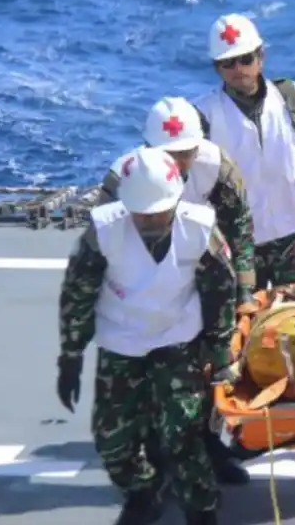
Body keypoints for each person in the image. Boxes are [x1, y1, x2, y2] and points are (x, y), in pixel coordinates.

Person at [56, 147, 238, 525]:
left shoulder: (200, 228)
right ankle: (143, 491)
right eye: (142, 213)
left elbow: (220, 290)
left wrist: (219, 349)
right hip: (121, 340)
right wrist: (71, 355)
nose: (151, 219)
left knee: (184, 434)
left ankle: (201, 510)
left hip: (178, 338)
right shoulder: (103, 231)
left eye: (158, 212)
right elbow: (79, 292)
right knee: (111, 439)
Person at [96, 96, 252, 484]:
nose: (179, 163)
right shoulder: (123, 178)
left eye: (186, 153)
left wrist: (244, 294)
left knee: (207, 369)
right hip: (143, 283)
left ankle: (208, 445)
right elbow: (104, 243)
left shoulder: (218, 169)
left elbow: (240, 231)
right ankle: (154, 458)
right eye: (170, 154)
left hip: (204, 272)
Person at [193, 12, 295, 291]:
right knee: (246, 316)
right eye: (228, 63)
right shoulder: (202, 115)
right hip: (240, 245)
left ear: (261, 57)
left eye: (245, 59)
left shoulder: (290, 97)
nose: (238, 69)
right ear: (217, 68)